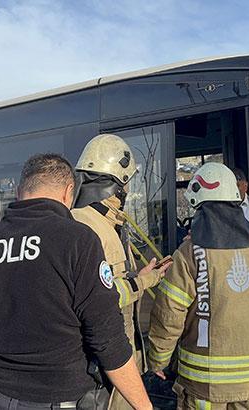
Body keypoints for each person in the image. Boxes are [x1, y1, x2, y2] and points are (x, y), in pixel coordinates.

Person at [0, 153, 152, 410]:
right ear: (69, 192)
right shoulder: (78, 241)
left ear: (18, 191)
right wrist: (144, 406)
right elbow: (108, 341)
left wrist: (6, 327)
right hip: (60, 400)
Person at [147, 163, 249, 409]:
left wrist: (157, 362)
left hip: (203, 390)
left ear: (200, 207)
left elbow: (168, 317)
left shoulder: (189, 254)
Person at [72, 134, 172, 410]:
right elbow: (98, 301)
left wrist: (146, 277)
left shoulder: (108, 224)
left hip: (117, 363)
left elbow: (116, 286)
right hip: (101, 371)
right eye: (126, 184)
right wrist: (141, 282)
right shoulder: (87, 228)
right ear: (118, 185)